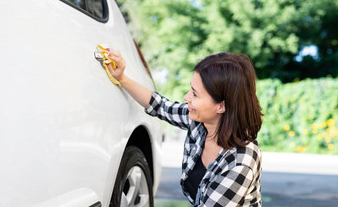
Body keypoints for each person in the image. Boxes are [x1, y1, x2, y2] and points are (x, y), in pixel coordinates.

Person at [107, 51, 263, 206]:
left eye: (195, 94)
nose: (186, 97)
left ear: (221, 106)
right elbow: (160, 106)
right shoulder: (201, 123)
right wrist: (122, 78)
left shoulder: (240, 161)